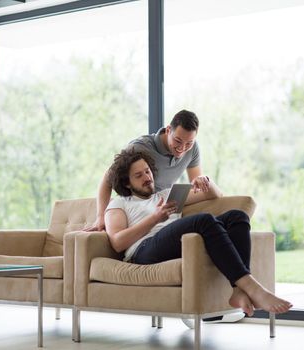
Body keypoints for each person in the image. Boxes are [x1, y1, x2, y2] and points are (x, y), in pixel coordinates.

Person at [104, 149, 293, 316]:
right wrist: (155, 218)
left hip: (176, 245)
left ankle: (238, 290)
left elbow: (214, 195)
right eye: (138, 175)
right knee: (203, 220)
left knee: (237, 216)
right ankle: (252, 287)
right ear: (127, 183)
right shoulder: (119, 204)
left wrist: (205, 182)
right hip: (143, 251)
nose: (147, 177)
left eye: (147, 171)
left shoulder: (164, 196)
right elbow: (117, 242)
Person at [84, 109, 213, 232]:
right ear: (168, 130)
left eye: (189, 143)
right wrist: (101, 217)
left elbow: (196, 186)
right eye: (177, 141)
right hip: (138, 211)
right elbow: (107, 180)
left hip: (163, 208)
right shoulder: (140, 147)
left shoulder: (193, 148)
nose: (182, 148)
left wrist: (202, 181)